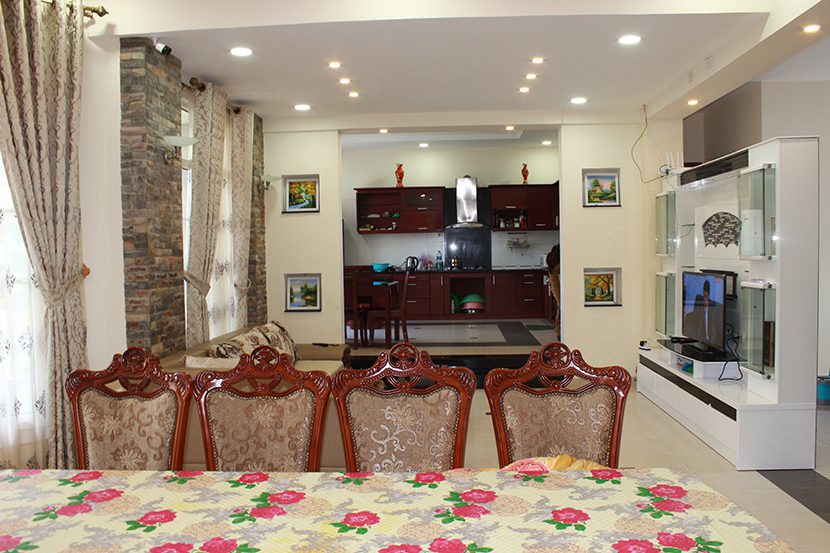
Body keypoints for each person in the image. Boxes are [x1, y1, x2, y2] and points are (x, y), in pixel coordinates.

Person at [684, 279, 724, 347]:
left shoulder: (715, 312)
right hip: (702, 343)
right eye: (703, 296)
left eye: (706, 296)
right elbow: (699, 331)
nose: (705, 300)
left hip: (713, 345)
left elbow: (714, 333)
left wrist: (713, 346)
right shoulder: (700, 310)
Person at [546, 244, 561, 336]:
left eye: (557, 267)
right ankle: (559, 335)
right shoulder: (552, 269)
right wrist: (561, 303)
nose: (556, 269)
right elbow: (555, 286)